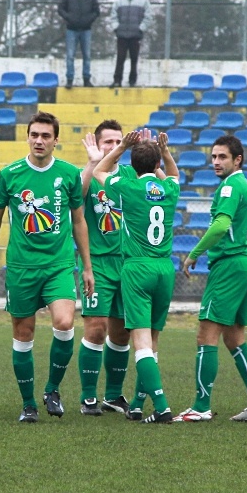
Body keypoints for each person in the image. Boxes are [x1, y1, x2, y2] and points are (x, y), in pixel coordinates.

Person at [0, 110, 94, 422]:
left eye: (45, 136)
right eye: (34, 135)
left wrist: (87, 266)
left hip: (58, 265)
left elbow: (79, 221)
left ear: (56, 140)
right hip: (20, 268)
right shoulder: (10, 173)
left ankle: (52, 389)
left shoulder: (69, 174)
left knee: (65, 322)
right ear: (28, 137)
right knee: (23, 332)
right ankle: (28, 404)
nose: (39, 140)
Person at [89, 129, 180, 423]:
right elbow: (174, 175)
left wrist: (122, 147)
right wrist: (164, 153)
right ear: (156, 166)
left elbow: (100, 170)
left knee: (139, 341)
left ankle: (162, 406)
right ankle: (139, 402)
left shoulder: (128, 188)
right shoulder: (169, 190)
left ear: (133, 164)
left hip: (137, 267)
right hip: (165, 269)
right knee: (153, 340)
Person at [179, 135, 247, 423]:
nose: (216, 162)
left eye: (222, 157)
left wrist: (194, 253)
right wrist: (242, 252)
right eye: (214, 157)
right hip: (246, 264)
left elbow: (221, 224)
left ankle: (201, 406)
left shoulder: (231, 186)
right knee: (234, 336)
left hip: (229, 267)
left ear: (237, 159)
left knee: (206, 334)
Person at [75, 120, 133, 417]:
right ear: (97, 145)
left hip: (128, 264)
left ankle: (113, 395)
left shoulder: (130, 175)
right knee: (96, 328)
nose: (113, 147)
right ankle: (87, 397)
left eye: (118, 141)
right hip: (96, 262)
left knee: (122, 332)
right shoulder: (89, 173)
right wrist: (91, 163)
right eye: (107, 142)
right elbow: (76, 200)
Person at [58, 0, 100, 89]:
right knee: (70, 56)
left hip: (86, 30)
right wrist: (69, 18)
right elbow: (60, 9)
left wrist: (89, 20)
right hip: (71, 30)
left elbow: (96, 11)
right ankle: (69, 80)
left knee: (87, 55)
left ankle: (86, 79)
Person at [110, 0, 152, 88]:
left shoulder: (143, 0)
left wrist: (141, 28)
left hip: (135, 35)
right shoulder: (119, 0)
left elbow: (148, 16)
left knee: (134, 59)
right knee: (120, 58)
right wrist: (116, 27)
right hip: (122, 35)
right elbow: (113, 15)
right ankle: (117, 81)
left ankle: (132, 81)